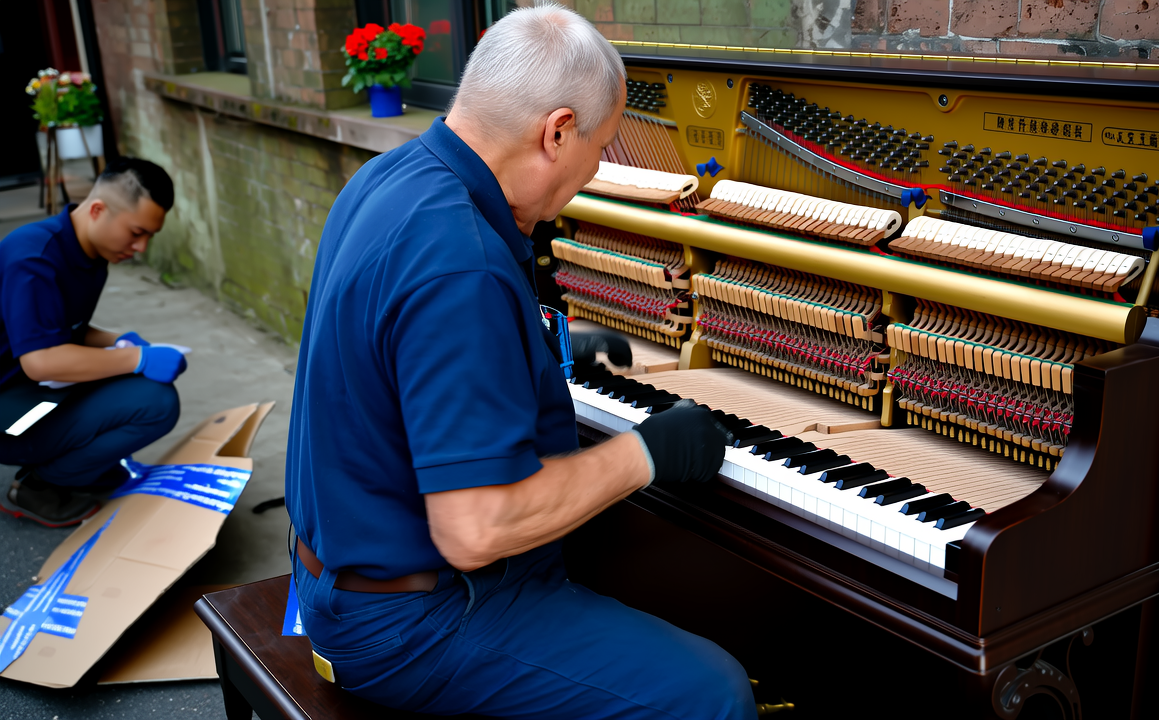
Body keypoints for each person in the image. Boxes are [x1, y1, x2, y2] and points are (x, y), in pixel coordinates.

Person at [285, 5, 756, 719]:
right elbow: (476, 528)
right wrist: (647, 453)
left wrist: (530, 352)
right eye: (602, 146)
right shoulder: (461, 263)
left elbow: (396, 352)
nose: (597, 170)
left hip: (336, 572)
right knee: (712, 693)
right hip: (413, 623)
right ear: (557, 131)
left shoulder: (386, 179)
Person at [0, 158, 186, 527]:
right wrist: (137, 358)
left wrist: (119, 341)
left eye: (149, 236)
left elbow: (63, 328)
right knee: (156, 403)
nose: (141, 247)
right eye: (136, 232)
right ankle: (42, 485)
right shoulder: (33, 257)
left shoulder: (89, 251)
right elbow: (41, 360)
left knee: (135, 383)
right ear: (98, 210)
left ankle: (77, 466)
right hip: (10, 414)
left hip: (28, 391)